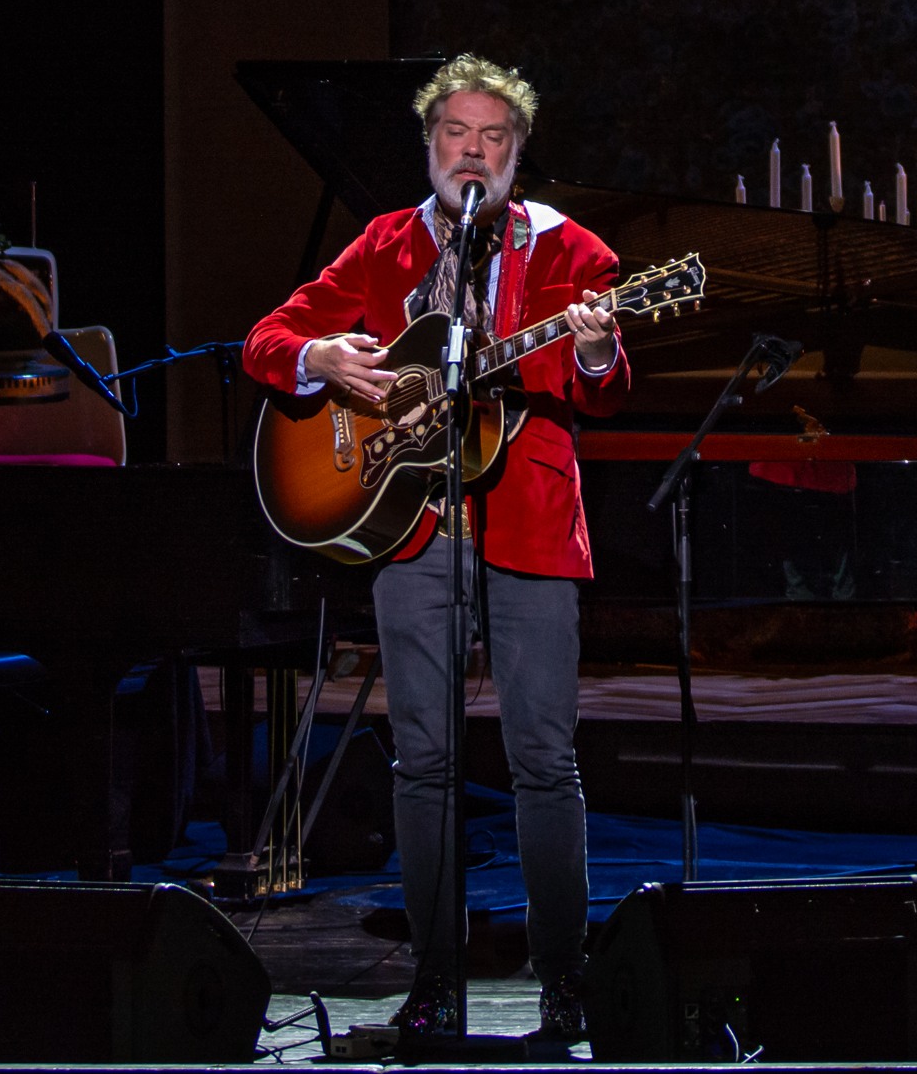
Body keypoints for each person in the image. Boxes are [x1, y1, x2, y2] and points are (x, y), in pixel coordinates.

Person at [245, 54, 632, 1044]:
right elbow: (267, 338)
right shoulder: (384, 244)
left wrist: (594, 346)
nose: (473, 152)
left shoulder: (569, 249)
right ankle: (433, 980)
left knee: (542, 756)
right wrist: (318, 355)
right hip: (412, 525)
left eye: (493, 137)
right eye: (456, 134)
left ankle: (564, 978)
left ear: (516, 152)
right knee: (422, 759)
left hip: (530, 523)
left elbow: (604, 385)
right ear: (429, 147)